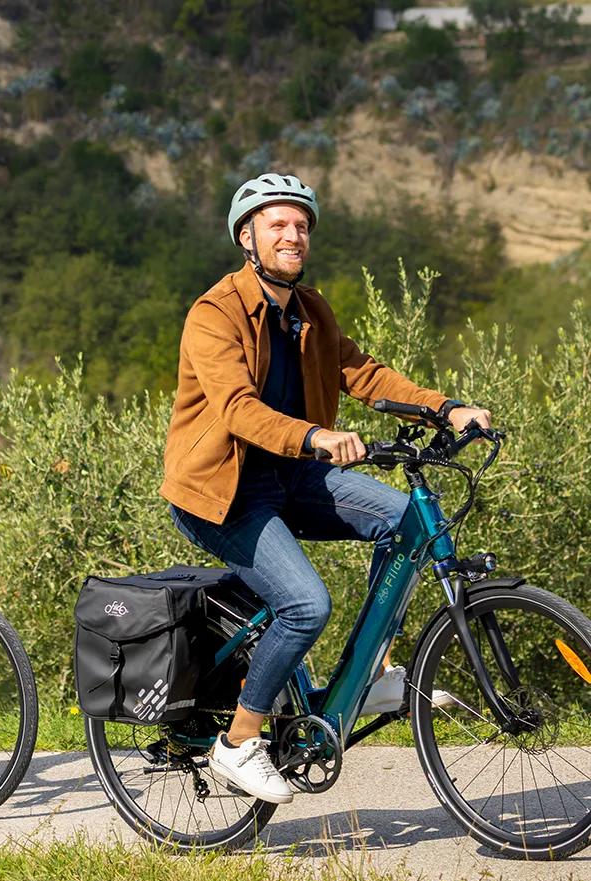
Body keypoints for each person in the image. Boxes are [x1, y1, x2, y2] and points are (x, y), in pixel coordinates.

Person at [161, 174, 491, 804]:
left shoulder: (311, 310)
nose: (293, 235)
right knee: (306, 605)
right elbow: (235, 408)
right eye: (278, 224)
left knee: (408, 522)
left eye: (302, 225)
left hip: (292, 476)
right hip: (222, 490)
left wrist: (444, 407)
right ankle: (239, 744)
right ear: (247, 237)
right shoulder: (215, 312)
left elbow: (364, 374)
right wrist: (315, 437)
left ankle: (374, 671)